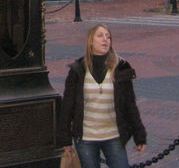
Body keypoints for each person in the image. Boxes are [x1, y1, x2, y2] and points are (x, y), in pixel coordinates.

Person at [58, 23, 146, 168]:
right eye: (100, 36)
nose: (105, 39)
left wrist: (139, 135)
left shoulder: (120, 68)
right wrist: (64, 138)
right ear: (90, 41)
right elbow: (68, 105)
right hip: (86, 137)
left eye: (108, 37)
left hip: (113, 135)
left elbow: (130, 104)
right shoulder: (78, 70)